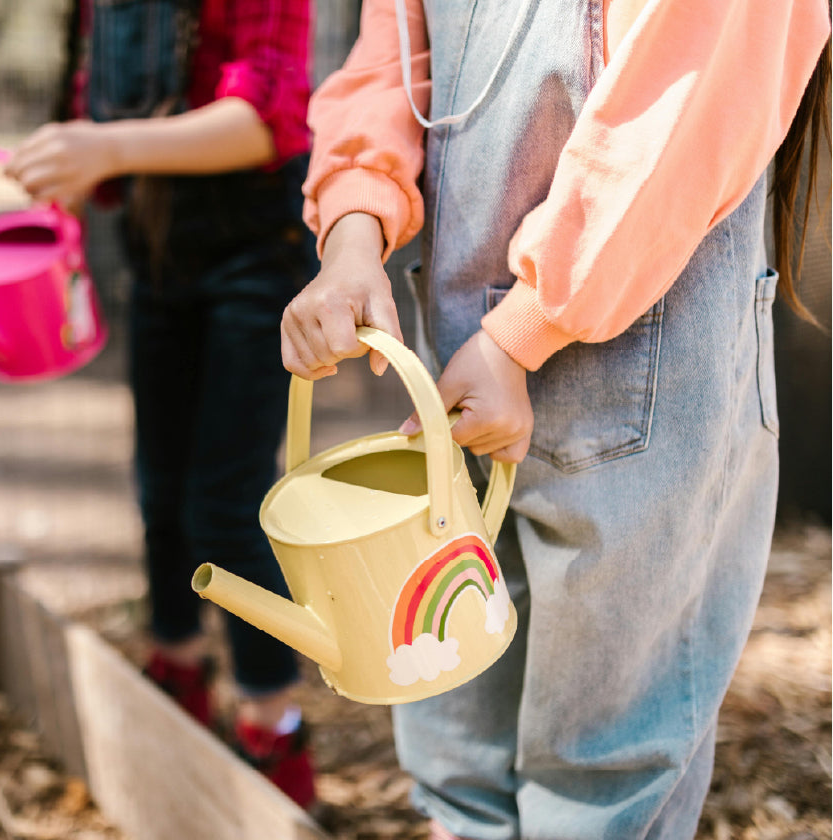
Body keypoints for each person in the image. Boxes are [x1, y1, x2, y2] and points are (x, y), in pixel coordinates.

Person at [280, 0, 830, 838]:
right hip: (465, 370)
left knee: (602, 772)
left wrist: (519, 335)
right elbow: (388, 61)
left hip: (632, 374)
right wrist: (352, 238)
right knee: (455, 734)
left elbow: (682, 114)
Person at [5, 0, 321, 808]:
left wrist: (103, 146)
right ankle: (173, 678)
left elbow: (265, 118)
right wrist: (66, 166)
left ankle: (271, 729)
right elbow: (97, 102)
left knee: (227, 501)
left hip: (255, 252)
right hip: (156, 250)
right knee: (161, 490)